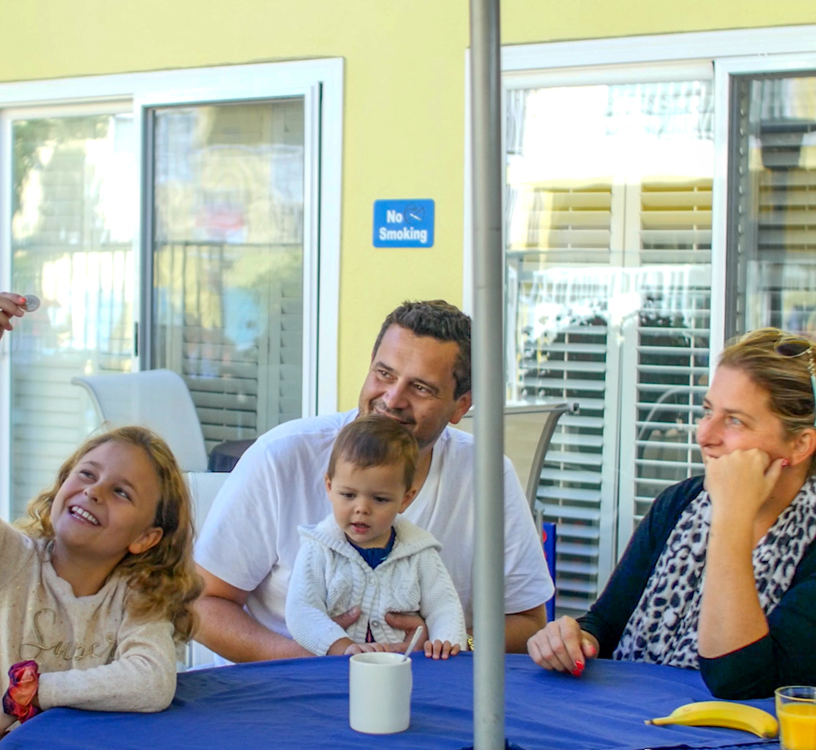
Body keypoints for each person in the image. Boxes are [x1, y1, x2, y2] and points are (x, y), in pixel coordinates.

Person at [0, 292, 204, 750]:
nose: (93, 492)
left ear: (146, 537)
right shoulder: (4, 562)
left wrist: (27, 696)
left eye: (120, 492)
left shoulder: (137, 599)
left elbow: (153, 681)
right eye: (87, 474)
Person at [194, 299, 554, 662]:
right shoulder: (282, 456)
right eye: (384, 374)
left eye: (421, 388)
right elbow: (202, 604)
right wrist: (317, 660)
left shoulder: (486, 475)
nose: (393, 399)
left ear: (461, 406)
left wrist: (453, 643)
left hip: (427, 693)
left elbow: (527, 621)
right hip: (285, 694)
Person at [527, 328, 816, 700]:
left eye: (735, 421)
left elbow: (738, 680)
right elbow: (605, 623)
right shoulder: (681, 503)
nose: (705, 435)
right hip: (628, 724)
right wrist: (572, 636)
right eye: (708, 411)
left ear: (801, 443)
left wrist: (731, 519)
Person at [285, 415, 466, 658]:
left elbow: (444, 605)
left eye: (379, 499)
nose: (362, 508)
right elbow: (302, 610)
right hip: (336, 670)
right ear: (329, 487)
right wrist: (341, 646)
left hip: (405, 668)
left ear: (405, 498)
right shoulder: (318, 549)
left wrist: (446, 640)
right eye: (348, 495)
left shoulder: (419, 551)